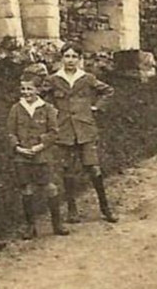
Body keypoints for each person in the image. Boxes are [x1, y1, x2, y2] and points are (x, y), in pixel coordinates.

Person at [46, 45, 118, 223]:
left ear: (79, 59)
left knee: (93, 168)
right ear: (62, 58)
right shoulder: (54, 80)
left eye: (73, 56)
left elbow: (108, 91)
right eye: (67, 56)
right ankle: (72, 210)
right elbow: (41, 99)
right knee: (67, 171)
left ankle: (105, 208)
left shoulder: (87, 79)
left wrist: (96, 107)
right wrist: (50, 115)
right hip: (64, 130)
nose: (70, 60)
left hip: (85, 130)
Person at [7, 74, 69, 238]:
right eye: (23, 89)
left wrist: (40, 146)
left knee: (49, 186)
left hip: (42, 155)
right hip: (22, 155)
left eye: (30, 89)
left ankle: (57, 224)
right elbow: (10, 133)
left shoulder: (47, 108)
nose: (26, 92)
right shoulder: (16, 109)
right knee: (26, 189)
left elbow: (54, 133)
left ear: (38, 90)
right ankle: (30, 226)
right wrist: (18, 148)